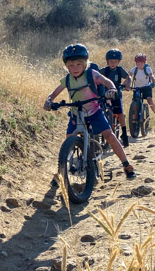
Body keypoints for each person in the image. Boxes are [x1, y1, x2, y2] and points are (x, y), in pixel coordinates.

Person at [43, 44, 135, 179]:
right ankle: (62, 171)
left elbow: (106, 81)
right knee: (68, 141)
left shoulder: (91, 74)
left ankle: (126, 165)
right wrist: (49, 100)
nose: (75, 68)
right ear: (67, 66)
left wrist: (112, 89)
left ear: (85, 64)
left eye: (78, 64)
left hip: (94, 112)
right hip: (76, 113)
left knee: (109, 136)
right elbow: (55, 92)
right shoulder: (67, 79)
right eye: (71, 65)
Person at [99, 48, 131, 147]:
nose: (113, 64)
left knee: (120, 113)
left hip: (116, 94)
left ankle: (124, 134)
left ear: (118, 62)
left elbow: (128, 77)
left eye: (115, 62)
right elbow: (96, 77)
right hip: (105, 95)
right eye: (111, 62)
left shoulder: (119, 70)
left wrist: (127, 84)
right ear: (107, 61)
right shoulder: (104, 70)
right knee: (101, 111)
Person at [128, 53, 155, 126]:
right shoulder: (134, 69)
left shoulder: (147, 68)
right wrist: (125, 84)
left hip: (146, 87)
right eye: (137, 63)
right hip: (137, 88)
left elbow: (151, 76)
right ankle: (133, 121)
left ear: (144, 63)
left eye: (141, 63)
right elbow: (129, 77)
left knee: (149, 100)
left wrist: (153, 82)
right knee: (135, 102)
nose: (139, 65)